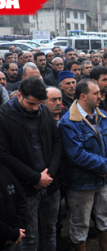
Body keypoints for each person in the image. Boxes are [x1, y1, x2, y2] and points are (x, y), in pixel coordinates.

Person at [58, 79, 107, 251]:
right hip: (81, 183)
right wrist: (105, 165)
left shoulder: (103, 116)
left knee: (105, 215)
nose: (101, 96)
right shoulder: (68, 123)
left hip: (104, 180)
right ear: (83, 96)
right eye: (96, 93)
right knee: (80, 222)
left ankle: (106, 247)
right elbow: (75, 154)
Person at [0, 76, 62, 251]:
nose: (35, 108)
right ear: (19, 95)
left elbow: (57, 142)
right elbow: (4, 155)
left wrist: (49, 174)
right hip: (24, 188)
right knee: (29, 237)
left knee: (50, 230)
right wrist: (35, 177)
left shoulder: (44, 112)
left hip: (50, 184)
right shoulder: (4, 116)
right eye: (31, 104)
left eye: (39, 103)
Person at [0, 165, 27, 250]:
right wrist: (11, 234)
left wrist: (17, 229)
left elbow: (21, 198)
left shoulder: (5, 171)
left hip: (16, 237)